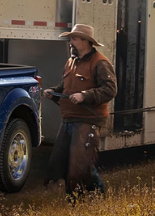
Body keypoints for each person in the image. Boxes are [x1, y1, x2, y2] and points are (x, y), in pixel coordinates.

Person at [43, 24, 117, 196]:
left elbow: (110, 89)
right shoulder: (71, 62)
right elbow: (66, 88)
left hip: (88, 120)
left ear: (86, 41)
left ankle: (90, 198)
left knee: (80, 164)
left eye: (74, 39)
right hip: (69, 118)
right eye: (70, 39)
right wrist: (53, 92)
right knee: (63, 162)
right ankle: (92, 197)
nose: (70, 42)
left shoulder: (100, 63)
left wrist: (85, 95)